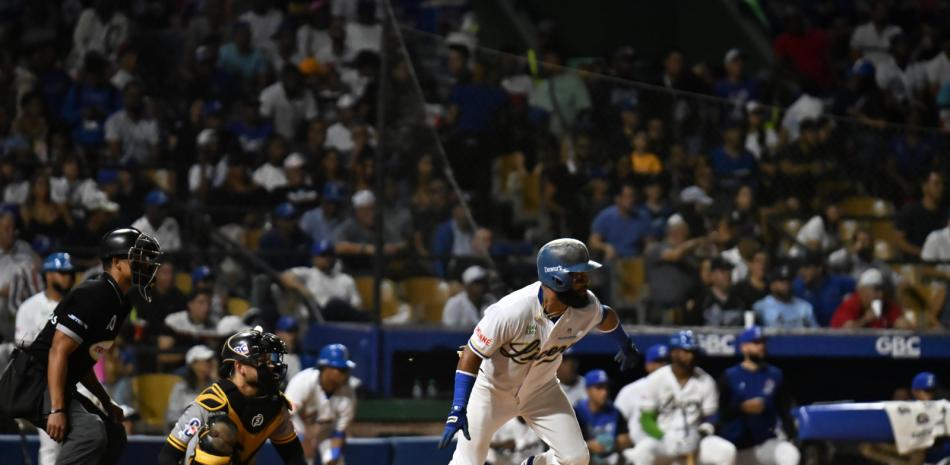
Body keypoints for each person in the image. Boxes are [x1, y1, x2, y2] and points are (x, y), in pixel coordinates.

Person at [439, 238, 641, 465]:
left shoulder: (586, 306)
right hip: (492, 391)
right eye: (578, 275)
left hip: (541, 389)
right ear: (557, 277)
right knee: (467, 462)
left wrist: (625, 344)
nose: (586, 280)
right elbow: (471, 354)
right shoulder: (511, 310)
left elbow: (606, 316)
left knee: (576, 458)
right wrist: (458, 406)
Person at [0, 228, 161, 465]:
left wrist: (106, 401)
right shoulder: (95, 293)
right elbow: (58, 351)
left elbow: (82, 360)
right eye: (138, 257)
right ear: (116, 262)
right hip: (33, 380)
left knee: (113, 434)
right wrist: (56, 409)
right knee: (90, 433)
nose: (146, 263)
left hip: (56, 380)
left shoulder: (118, 302)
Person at [157, 328, 305, 465]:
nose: (272, 365)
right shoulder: (211, 402)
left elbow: (294, 457)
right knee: (221, 429)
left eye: (271, 359)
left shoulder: (276, 405)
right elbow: (168, 455)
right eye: (262, 360)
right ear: (240, 367)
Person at [625, 330, 736, 465]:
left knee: (726, 451)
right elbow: (646, 419)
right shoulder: (656, 380)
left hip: (695, 438)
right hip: (664, 439)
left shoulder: (706, 381)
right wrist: (663, 436)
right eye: (686, 351)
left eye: (692, 352)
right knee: (641, 453)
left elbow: (712, 417)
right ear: (674, 352)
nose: (690, 356)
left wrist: (701, 433)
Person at [718, 327, 799, 465]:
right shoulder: (729, 376)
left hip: (765, 444)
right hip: (733, 448)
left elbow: (785, 411)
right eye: (755, 343)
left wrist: (791, 435)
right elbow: (720, 414)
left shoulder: (775, 375)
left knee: (789, 453)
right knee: (722, 453)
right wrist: (742, 408)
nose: (761, 346)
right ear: (744, 347)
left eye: (762, 342)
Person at [285, 344, 357, 465]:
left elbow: (340, 432)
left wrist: (333, 456)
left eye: (346, 369)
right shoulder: (303, 381)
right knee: (303, 459)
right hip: (299, 429)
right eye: (340, 369)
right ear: (325, 368)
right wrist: (301, 439)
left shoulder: (348, 392)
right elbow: (286, 415)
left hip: (326, 433)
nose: (345, 374)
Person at [280, 240, 368, 322]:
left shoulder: (346, 279)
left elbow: (357, 306)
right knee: (334, 304)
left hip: (342, 322)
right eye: (323, 255)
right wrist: (302, 289)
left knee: (337, 305)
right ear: (314, 258)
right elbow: (285, 276)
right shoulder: (308, 274)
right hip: (316, 320)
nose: (327, 258)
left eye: (330, 254)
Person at [14, 253, 75, 347]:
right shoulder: (28, 307)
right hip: (37, 359)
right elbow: (23, 347)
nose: (68, 277)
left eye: (71, 273)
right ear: (48, 275)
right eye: (63, 272)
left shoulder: (80, 303)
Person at [573, 370, 632, 465]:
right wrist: (588, 446)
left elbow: (627, 439)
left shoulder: (614, 411)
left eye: (606, 387)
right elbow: (567, 445)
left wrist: (613, 443)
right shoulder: (577, 412)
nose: (604, 392)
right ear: (588, 390)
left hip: (611, 458)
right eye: (599, 387)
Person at [614, 344, 669, 445]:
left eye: (667, 362)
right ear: (648, 365)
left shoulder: (678, 389)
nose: (664, 366)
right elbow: (617, 424)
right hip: (638, 449)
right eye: (659, 362)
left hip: (672, 447)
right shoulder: (630, 391)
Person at [589, 182, 652, 260]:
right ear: (618, 198)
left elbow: (649, 242)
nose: (631, 200)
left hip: (634, 259)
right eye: (627, 197)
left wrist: (647, 254)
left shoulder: (642, 216)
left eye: (632, 196)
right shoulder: (606, 216)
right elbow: (593, 242)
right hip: (613, 259)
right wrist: (605, 247)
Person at [831, 268, 911, 329]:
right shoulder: (851, 303)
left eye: (881, 289)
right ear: (862, 290)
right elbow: (845, 331)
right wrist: (865, 319)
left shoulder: (885, 304)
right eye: (876, 289)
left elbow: (903, 324)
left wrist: (901, 324)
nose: (880, 294)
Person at [792, 253, 855, 327]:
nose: (801, 271)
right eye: (800, 267)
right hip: (808, 334)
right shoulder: (797, 286)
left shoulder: (838, 282)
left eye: (807, 267)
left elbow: (863, 289)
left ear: (819, 269)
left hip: (836, 333)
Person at [165, 345, 217, 429]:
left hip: (210, 433)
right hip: (184, 433)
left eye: (211, 360)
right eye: (206, 361)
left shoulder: (216, 386)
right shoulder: (181, 388)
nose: (210, 364)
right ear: (194, 364)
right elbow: (172, 417)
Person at [753, 264, 818, 329]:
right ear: (772, 285)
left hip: (798, 339)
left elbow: (817, 334)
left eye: (788, 281)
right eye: (781, 281)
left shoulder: (805, 307)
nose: (786, 285)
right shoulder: (760, 307)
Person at [692, 257, 750, 326]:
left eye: (729, 270)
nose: (728, 274)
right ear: (712, 275)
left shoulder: (740, 299)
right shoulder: (702, 300)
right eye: (722, 271)